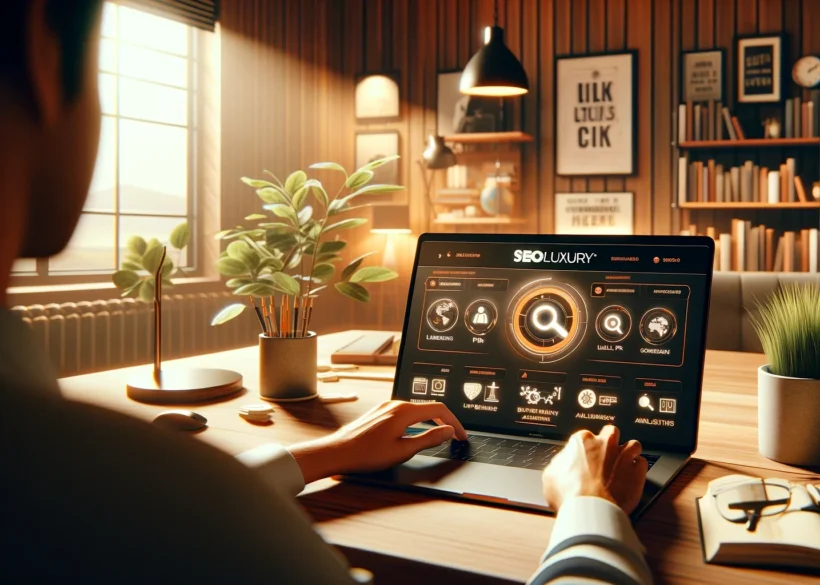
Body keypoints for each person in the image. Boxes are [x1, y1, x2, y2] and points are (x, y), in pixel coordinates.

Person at [0, 2, 653, 583]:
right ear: (44, 48)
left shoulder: (93, 495)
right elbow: (182, 511)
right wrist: (591, 510)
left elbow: (153, 510)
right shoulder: (186, 520)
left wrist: (322, 454)